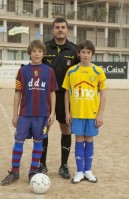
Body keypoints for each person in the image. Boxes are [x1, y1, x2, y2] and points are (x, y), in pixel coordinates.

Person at [1, 40, 58, 186]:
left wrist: (52, 113)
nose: (37, 54)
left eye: (39, 51)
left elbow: (52, 92)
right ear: (30, 53)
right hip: (25, 114)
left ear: (43, 53)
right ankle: (14, 171)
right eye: (34, 51)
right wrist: (15, 114)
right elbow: (17, 93)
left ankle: (33, 171)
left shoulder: (49, 70)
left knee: (38, 142)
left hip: (42, 114)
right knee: (18, 141)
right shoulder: (22, 71)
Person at [39, 17, 80, 179]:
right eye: (57, 27)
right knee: (45, 128)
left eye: (63, 27)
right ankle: (42, 164)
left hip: (65, 96)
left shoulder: (74, 50)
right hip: (46, 95)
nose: (60, 30)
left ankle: (64, 165)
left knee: (65, 128)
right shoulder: (44, 48)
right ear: (53, 30)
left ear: (67, 30)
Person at [62, 40, 107, 184]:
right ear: (79, 53)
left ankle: (88, 171)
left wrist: (100, 114)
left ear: (92, 54)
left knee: (89, 140)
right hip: (77, 114)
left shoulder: (98, 71)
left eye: (88, 52)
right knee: (79, 140)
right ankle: (79, 171)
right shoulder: (72, 71)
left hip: (92, 114)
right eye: (83, 52)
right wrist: (67, 112)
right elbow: (67, 93)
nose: (86, 55)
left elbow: (103, 93)